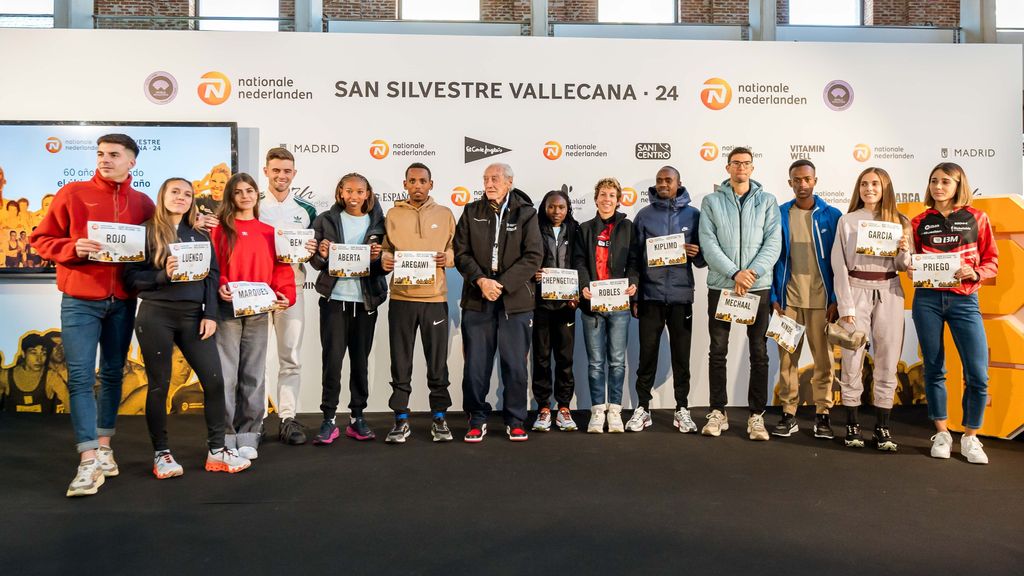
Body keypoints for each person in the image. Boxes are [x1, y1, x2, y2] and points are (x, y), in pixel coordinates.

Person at [30, 133, 156, 497]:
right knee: (81, 377)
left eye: (114, 155)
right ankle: (87, 459)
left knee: (114, 372)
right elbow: (40, 240)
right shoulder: (72, 193)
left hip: (123, 302)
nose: (105, 160)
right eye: (100, 153)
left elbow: (160, 240)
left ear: (132, 161)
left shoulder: (144, 203)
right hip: (80, 299)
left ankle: (104, 447)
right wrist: (73, 247)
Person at [124, 177, 251, 478]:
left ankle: (217, 450)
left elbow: (212, 275)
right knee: (159, 385)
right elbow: (130, 279)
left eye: (187, 194)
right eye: (175, 192)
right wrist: (161, 276)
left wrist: (210, 314)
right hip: (157, 316)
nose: (181, 197)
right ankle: (162, 454)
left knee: (215, 382)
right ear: (163, 195)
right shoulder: (145, 231)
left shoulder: (198, 233)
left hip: (196, 318)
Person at [907, 163, 998, 464]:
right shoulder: (919, 221)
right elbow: (912, 263)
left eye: (946, 181)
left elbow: (992, 262)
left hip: (965, 300)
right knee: (934, 368)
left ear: (959, 185)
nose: (938, 187)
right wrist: (909, 265)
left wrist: (975, 270)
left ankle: (971, 437)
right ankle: (942, 432)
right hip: (927, 300)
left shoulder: (977, 218)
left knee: (978, 373)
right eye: (934, 180)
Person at [454, 163, 542, 442]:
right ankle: (476, 418)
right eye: (486, 179)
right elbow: (461, 253)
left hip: (514, 301)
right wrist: (482, 281)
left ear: (509, 182)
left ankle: (515, 419)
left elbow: (533, 256)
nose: (489, 183)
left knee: (515, 364)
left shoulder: (526, 213)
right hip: (478, 298)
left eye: (495, 179)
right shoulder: (471, 211)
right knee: (476, 366)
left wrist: (501, 284)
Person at [210, 173, 295, 461]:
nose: (245, 196)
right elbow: (214, 266)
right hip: (227, 310)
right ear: (230, 197)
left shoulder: (270, 232)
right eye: (238, 192)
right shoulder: (219, 231)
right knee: (226, 374)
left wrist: (285, 295)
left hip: (259, 311)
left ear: (256, 195)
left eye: (249, 191)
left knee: (254, 374)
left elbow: (281, 270)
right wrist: (221, 281)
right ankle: (226, 435)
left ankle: (249, 434)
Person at [699, 147, 781, 441]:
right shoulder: (711, 201)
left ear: (752, 168)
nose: (741, 168)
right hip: (722, 285)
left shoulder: (768, 202)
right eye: (736, 163)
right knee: (717, 351)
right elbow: (708, 243)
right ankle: (717, 412)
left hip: (757, 287)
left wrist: (751, 274)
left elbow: (773, 243)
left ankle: (756, 416)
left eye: (746, 163)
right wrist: (735, 273)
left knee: (759, 353)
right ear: (728, 167)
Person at [831, 166, 911, 451]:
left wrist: (904, 249)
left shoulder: (900, 221)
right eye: (864, 184)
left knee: (888, 356)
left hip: (890, 291)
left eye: (875, 184)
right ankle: (852, 422)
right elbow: (838, 265)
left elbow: (904, 267)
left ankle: (882, 425)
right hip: (856, 289)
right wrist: (846, 305)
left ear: (885, 187)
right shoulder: (848, 221)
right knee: (852, 356)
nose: (869, 189)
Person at [308, 173, 387, 445]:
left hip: (365, 303)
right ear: (340, 192)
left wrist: (378, 260)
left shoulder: (378, 223)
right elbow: (316, 264)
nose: (354, 196)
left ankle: (357, 417)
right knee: (332, 361)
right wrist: (322, 253)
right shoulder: (325, 219)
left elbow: (381, 268)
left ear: (368, 194)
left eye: (359, 191)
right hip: (334, 301)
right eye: (348, 190)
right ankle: (328, 419)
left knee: (360, 362)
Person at [625, 166, 705, 433]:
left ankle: (682, 408)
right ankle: (642, 408)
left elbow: (704, 259)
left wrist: (696, 253)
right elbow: (634, 258)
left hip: (681, 297)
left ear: (678, 183)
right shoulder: (644, 216)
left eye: (667, 180)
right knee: (646, 356)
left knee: (681, 357)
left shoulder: (694, 216)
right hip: (651, 297)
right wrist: (635, 291)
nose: (662, 184)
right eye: (659, 180)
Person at [381, 163, 456, 443]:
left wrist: (446, 258)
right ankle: (400, 419)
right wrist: (384, 259)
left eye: (422, 181)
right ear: (405, 183)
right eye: (412, 181)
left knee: (437, 362)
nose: (417, 186)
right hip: (401, 298)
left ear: (431, 184)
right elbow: (386, 250)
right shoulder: (393, 214)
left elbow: (456, 249)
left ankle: (439, 417)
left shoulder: (445, 214)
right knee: (400, 361)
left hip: (435, 299)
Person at [769, 160, 842, 439]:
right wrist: (774, 297)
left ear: (815, 181)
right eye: (796, 180)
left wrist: (835, 298)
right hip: (789, 302)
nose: (802, 184)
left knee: (824, 360)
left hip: (822, 303)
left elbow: (839, 262)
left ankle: (823, 414)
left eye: (807, 179)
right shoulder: (779, 214)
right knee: (787, 360)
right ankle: (789, 413)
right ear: (790, 183)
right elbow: (773, 258)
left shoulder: (831, 215)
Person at [257, 147, 317, 446]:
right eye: (276, 170)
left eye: (287, 171)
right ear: (266, 171)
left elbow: (316, 253)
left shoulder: (305, 210)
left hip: (291, 287)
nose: (281, 176)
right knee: (255, 358)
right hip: (254, 289)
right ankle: (254, 420)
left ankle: (287, 417)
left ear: (294, 174)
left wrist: (314, 250)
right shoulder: (251, 204)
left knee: (290, 356)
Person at [574, 177, 638, 434]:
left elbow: (634, 261)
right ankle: (597, 410)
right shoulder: (585, 228)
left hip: (619, 303)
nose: (607, 199)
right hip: (592, 304)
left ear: (618, 199)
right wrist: (584, 285)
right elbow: (578, 261)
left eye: (612, 195)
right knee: (596, 361)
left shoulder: (628, 227)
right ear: (596, 198)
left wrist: (633, 283)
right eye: (603, 194)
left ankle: (615, 411)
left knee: (618, 361)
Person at [530, 189, 580, 433]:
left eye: (561, 207)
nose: (557, 212)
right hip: (540, 304)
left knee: (565, 358)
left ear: (568, 208)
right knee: (540, 357)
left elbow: (580, 261)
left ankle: (563, 407)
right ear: (544, 207)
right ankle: (543, 407)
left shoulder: (575, 229)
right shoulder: (534, 228)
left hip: (566, 306)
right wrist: (534, 273)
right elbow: (526, 258)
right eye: (552, 207)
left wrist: (577, 291)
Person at [0, 334, 56, 413]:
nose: (39, 359)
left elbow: (69, 400)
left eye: (43, 354)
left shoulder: (51, 376)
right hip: (14, 425)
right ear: (23, 353)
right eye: (33, 353)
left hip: (42, 425)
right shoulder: (5, 376)